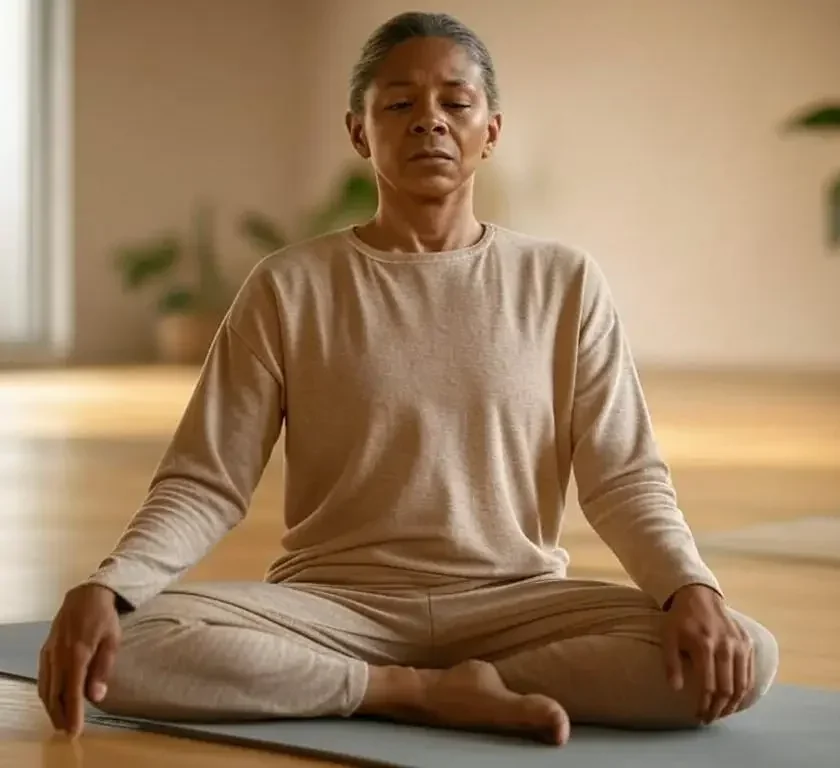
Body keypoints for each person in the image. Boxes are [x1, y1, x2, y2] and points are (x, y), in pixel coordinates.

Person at [38, 11, 778, 747]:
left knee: (743, 651)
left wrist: (690, 587)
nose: (430, 121)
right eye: (399, 104)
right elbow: (205, 482)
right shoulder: (288, 286)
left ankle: (462, 681)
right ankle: (412, 691)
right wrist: (114, 584)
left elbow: (624, 479)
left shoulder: (565, 282)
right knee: (131, 643)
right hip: (336, 608)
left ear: (491, 130)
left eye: (456, 102)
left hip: (513, 604)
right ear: (360, 131)